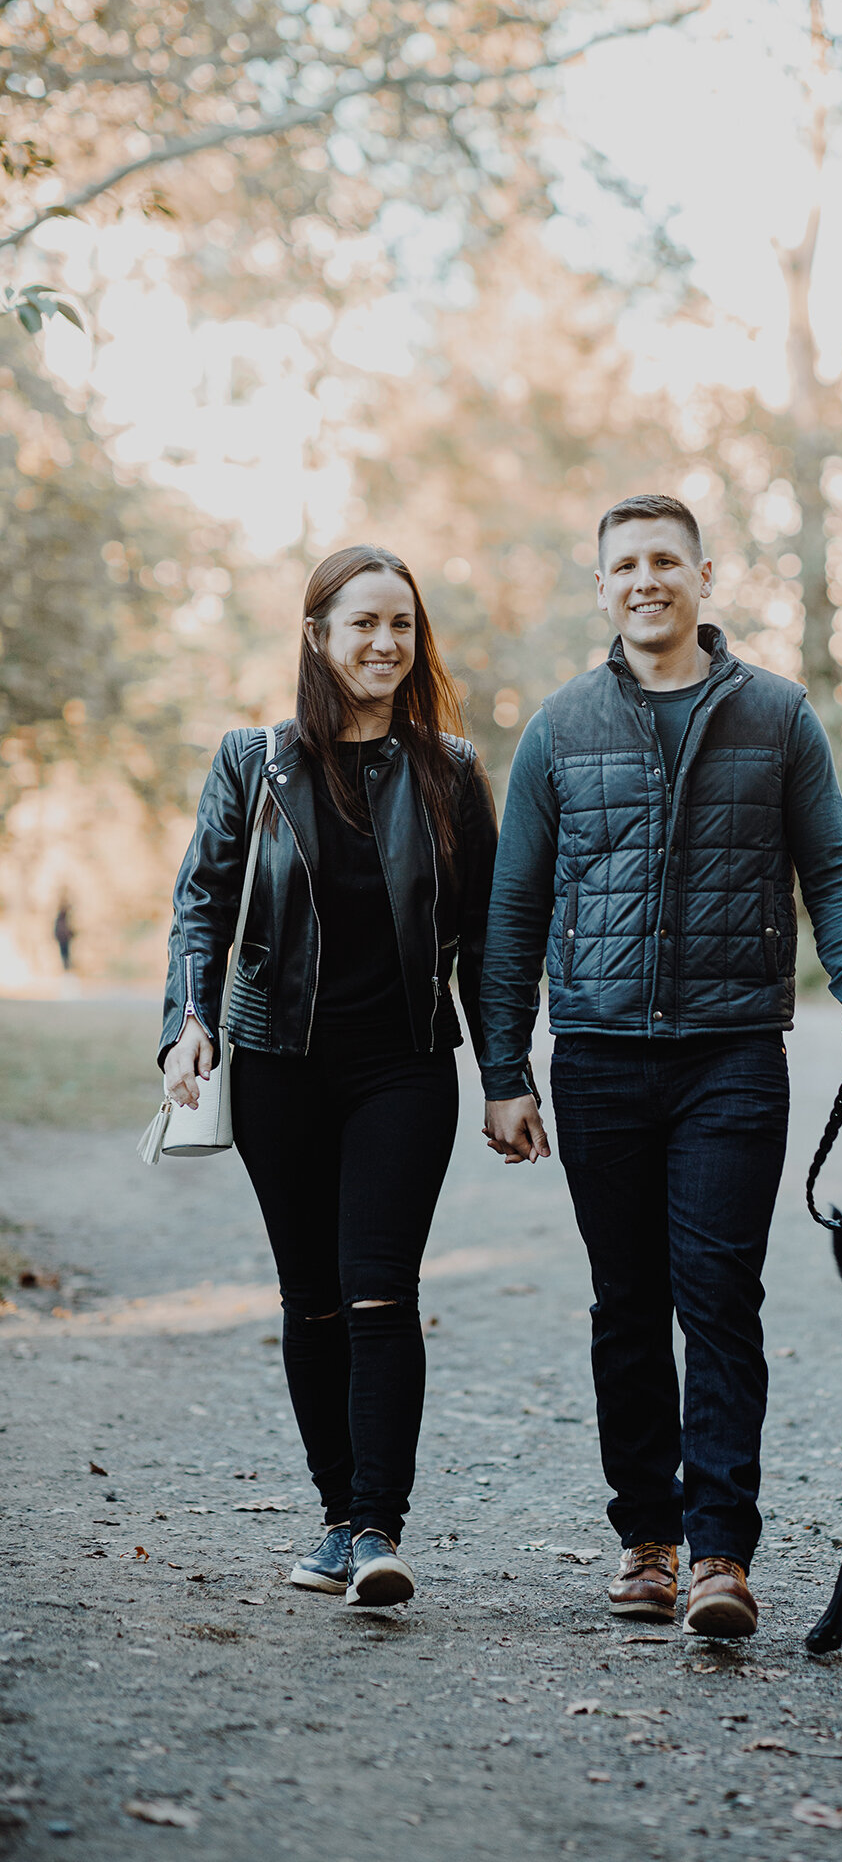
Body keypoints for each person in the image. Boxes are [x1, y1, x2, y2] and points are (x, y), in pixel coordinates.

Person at [480, 493, 842, 1637]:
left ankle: (720, 1550)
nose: (646, 577)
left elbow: (836, 873)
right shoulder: (561, 725)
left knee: (718, 1299)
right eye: (625, 563)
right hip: (602, 1061)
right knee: (626, 1303)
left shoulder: (776, 715)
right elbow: (512, 910)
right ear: (601, 585)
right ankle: (646, 1540)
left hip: (731, 1057)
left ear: (704, 577)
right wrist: (503, 1069)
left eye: (667, 558)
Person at [158, 546, 495, 1609]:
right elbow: (201, 905)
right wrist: (187, 1024)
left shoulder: (450, 766)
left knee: (379, 1289)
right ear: (317, 635)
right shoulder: (252, 761)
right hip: (276, 1063)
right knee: (311, 1299)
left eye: (402, 623)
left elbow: (486, 938)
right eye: (363, 624)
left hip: (402, 1062)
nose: (386, 643)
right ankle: (339, 1514)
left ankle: (379, 1527)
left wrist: (506, 1074)